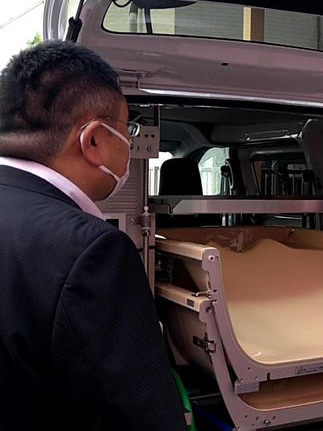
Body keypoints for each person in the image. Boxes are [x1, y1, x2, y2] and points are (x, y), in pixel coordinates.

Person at [0, 41, 186, 429]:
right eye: (127, 129)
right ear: (95, 139)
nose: (130, 143)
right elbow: (139, 416)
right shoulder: (90, 250)